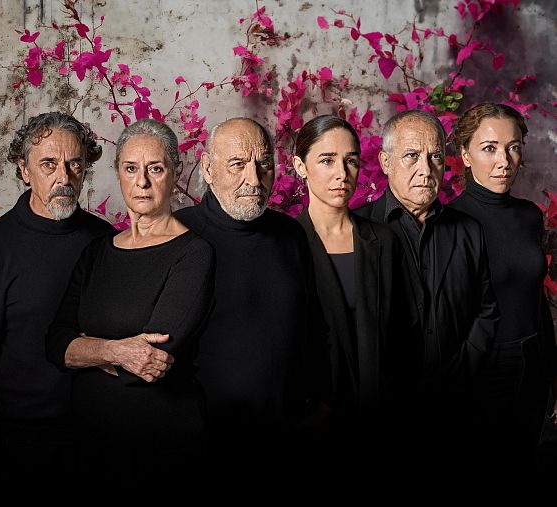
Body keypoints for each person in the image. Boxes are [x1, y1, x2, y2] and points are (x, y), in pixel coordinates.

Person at [45, 119, 214, 478]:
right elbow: (55, 344)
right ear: (118, 173)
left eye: (155, 168)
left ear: (175, 171)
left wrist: (87, 348)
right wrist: (115, 350)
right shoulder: (96, 252)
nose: (142, 182)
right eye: (131, 168)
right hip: (89, 443)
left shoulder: (195, 254)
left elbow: (153, 358)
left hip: (162, 444)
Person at [0, 112, 114, 477]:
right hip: (23, 440)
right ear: (24, 170)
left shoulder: (105, 240)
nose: (64, 178)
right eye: (49, 164)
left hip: (100, 432)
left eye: (75, 164)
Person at [174, 117, 330, 470]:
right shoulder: (178, 235)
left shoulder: (290, 234)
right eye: (237, 164)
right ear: (208, 169)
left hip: (287, 437)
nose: (254, 179)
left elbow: (315, 327)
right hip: (203, 444)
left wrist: (322, 404)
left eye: (263, 164)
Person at [354, 109, 498, 460]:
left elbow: (486, 310)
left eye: (435, 157)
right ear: (386, 162)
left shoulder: (468, 230)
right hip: (382, 411)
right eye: (411, 156)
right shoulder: (358, 229)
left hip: (457, 404)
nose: (426, 169)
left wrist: (463, 368)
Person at [292, 114, 415, 446]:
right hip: (315, 421)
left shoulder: (384, 241)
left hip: (381, 416)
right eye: (327, 160)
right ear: (300, 166)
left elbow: (403, 333)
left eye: (350, 161)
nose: (341, 174)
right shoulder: (286, 244)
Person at [448, 102, 557, 465]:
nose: (504, 161)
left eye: (513, 147)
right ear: (465, 154)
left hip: (535, 363)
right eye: (489, 148)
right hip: (483, 372)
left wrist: (553, 373)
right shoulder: (449, 223)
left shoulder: (529, 215)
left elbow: (535, 298)